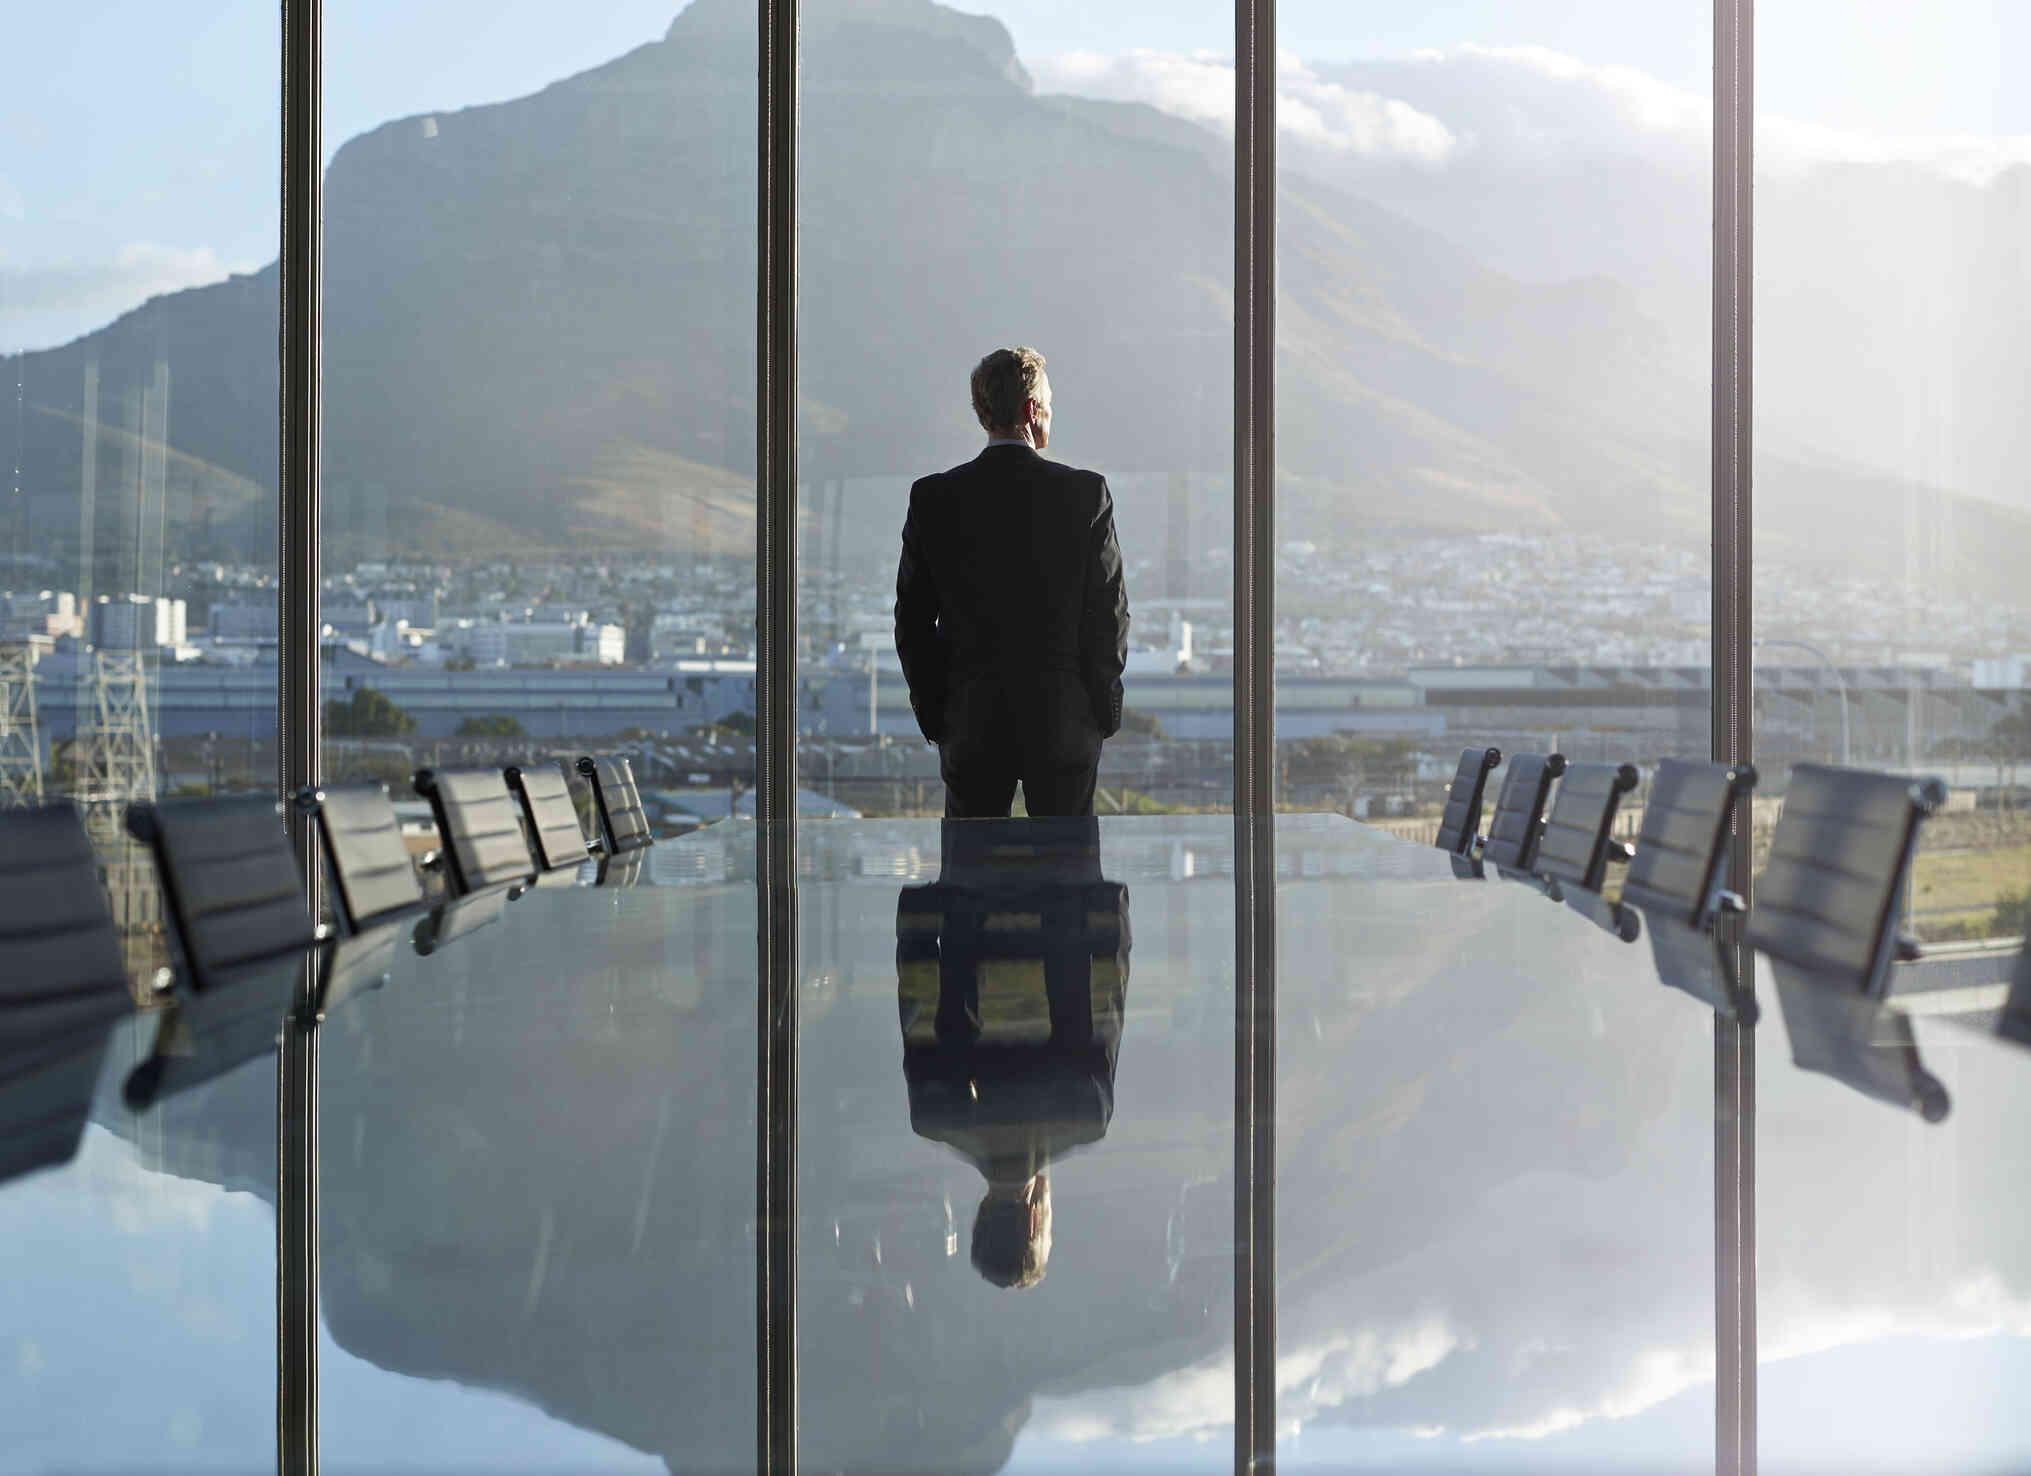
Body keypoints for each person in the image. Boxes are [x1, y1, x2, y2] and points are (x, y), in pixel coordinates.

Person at [894, 347, 1130, 818]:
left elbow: (912, 624)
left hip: (972, 723)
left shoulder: (935, 498)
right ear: (1031, 410)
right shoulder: (1084, 495)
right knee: (1069, 875)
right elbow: (1109, 616)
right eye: (1049, 403)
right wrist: (1102, 714)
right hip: (1064, 721)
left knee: (970, 877)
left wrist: (940, 717)